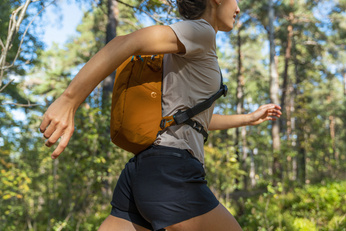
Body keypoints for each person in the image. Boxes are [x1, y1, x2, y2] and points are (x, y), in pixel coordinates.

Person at [40, 0, 282, 230]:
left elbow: (195, 120)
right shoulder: (202, 31)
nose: (238, 8)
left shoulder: (192, 45)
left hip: (144, 170)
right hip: (172, 170)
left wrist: (248, 118)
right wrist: (69, 100)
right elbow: (127, 42)